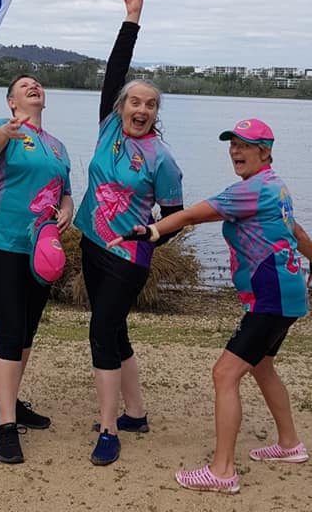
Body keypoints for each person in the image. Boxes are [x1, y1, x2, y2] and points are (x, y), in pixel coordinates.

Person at [116, 117, 312, 494]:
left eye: (245, 145)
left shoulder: (252, 190)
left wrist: (154, 230)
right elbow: (298, 233)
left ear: (265, 151)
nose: (235, 151)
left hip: (270, 299)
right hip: (285, 296)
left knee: (225, 374)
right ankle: (289, 444)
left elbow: (193, 215)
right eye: (232, 144)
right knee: (263, 367)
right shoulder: (277, 187)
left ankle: (222, 472)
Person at [73, 0, 184, 466]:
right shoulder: (108, 129)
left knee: (101, 331)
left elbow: (175, 215)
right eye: (134, 101)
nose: (141, 109)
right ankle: (135, 412)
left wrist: (153, 232)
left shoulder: (162, 159)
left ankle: (109, 428)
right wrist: (131, 21)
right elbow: (115, 71)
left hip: (128, 257)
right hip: (92, 244)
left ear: (156, 113)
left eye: (150, 104)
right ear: (120, 107)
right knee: (115, 333)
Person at [0, 69, 73, 464]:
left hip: (41, 249)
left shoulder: (59, 147)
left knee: (28, 331)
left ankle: (7, 403)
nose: (34, 85)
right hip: (1, 243)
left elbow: (65, 192)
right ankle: (6, 427)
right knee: (10, 330)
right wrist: (5, 132)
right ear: (12, 101)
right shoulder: (5, 128)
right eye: (23, 85)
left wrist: (66, 211)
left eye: (37, 83)